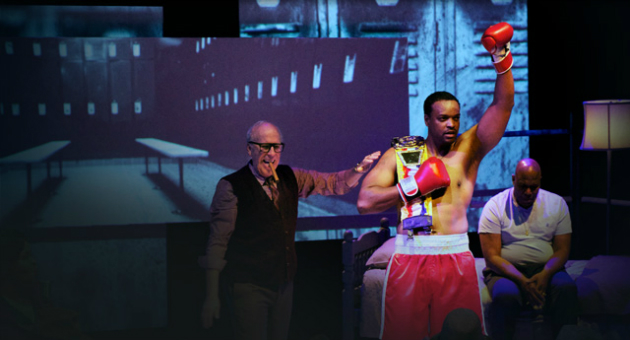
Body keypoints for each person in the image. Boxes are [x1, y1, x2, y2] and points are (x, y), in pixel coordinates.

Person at [357, 22, 515, 340]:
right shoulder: (402, 155)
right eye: (443, 118)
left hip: (454, 255)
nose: (451, 124)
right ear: (428, 119)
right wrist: (413, 187)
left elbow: (502, 105)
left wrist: (501, 57)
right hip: (410, 256)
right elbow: (365, 202)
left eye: (456, 117)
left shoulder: (468, 150)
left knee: (461, 335)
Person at [199, 120, 381, 340]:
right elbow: (217, 242)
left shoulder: (290, 177)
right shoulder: (230, 186)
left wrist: (357, 170)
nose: (272, 154)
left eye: (277, 147)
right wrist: (211, 296)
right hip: (248, 286)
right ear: (250, 149)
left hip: (283, 284)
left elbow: (332, 183)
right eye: (264, 147)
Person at [477, 158, 578, 340]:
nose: (528, 192)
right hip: (504, 272)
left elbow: (562, 250)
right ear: (514, 179)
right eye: (523, 186)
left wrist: (546, 274)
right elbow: (491, 257)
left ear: (540, 180)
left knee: (566, 289)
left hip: (546, 269)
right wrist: (522, 281)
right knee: (505, 296)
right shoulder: (495, 206)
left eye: (534, 186)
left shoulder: (557, 203)